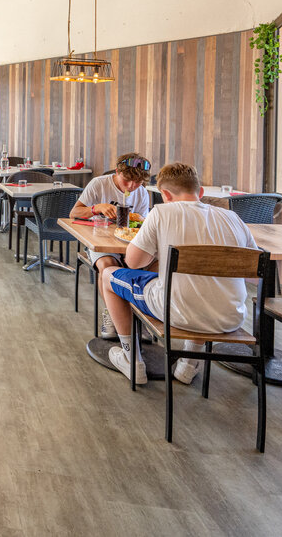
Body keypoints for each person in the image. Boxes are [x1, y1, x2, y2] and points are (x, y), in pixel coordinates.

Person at [96, 162, 258, 385]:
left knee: (108, 275)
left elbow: (133, 263)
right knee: (204, 286)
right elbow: (254, 273)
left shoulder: (161, 212)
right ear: (200, 192)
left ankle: (131, 359)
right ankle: (188, 365)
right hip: (231, 316)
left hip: (175, 312)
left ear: (165, 195)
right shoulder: (233, 218)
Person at [70, 152, 153, 337]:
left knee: (151, 266)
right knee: (107, 265)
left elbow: (143, 227)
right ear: (117, 172)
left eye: (138, 182)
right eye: (127, 180)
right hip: (99, 241)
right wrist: (96, 208)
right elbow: (74, 213)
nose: (132, 186)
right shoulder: (99, 184)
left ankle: (140, 317)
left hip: (128, 243)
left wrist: (139, 220)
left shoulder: (141, 193)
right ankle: (111, 314)